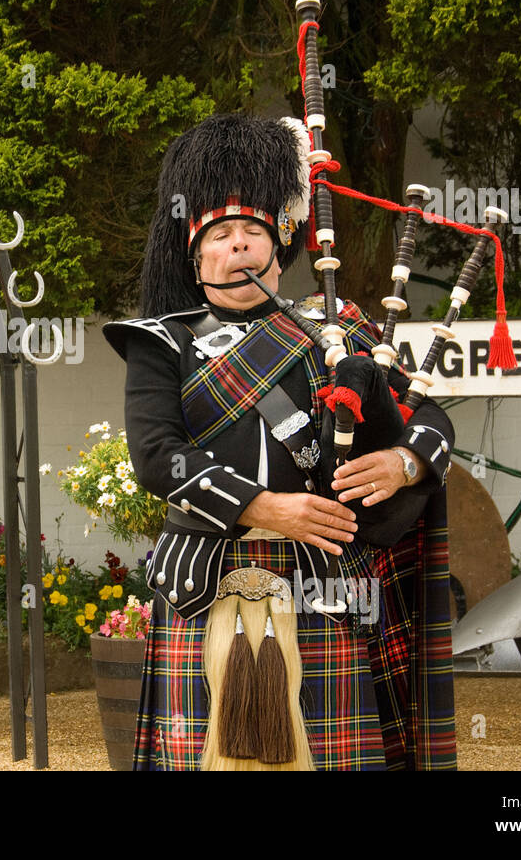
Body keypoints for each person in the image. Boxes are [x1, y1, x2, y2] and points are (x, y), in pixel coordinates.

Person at [103, 112, 456, 770]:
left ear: (278, 245)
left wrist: (402, 462)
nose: (238, 245)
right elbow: (157, 454)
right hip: (205, 586)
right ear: (194, 251)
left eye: (252, 231)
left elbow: (431, 417)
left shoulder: (336, 329)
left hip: (326, 587)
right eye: (221, 234)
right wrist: (265, 508)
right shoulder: (163, 341)